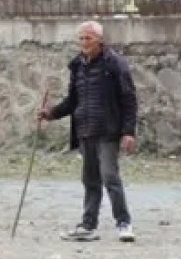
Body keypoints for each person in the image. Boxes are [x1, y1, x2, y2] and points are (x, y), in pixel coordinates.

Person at [38, 21, 139, 242]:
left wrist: (128, 132)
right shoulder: (76, 65)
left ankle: (124, 223)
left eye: (89, 38)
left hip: (108, 130)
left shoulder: (116, 64)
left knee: (110, 176)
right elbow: (73, 100)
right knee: (90, 179)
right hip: (85, 129)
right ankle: (88, 225)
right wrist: (51, 113)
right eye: (81, 38)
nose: (84, 42)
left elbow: (129, 99)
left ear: (100, 40)